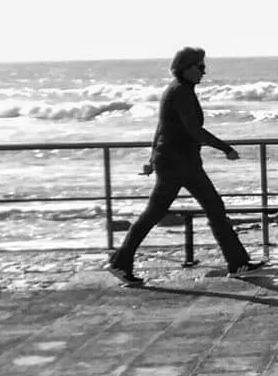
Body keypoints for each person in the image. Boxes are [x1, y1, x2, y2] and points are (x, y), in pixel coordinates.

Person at [107, 47, 264, 286]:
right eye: (199, 66)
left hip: (179, 161)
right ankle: (120, 262)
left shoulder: (177, 90)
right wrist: (225, 149)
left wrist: (152, 159)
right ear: (186, 68)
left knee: (204, 209)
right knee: (184, 211)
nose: (204, 71)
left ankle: (237, 262)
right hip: (178, 164)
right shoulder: (181, 92)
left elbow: (161, 128)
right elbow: (194, 130)